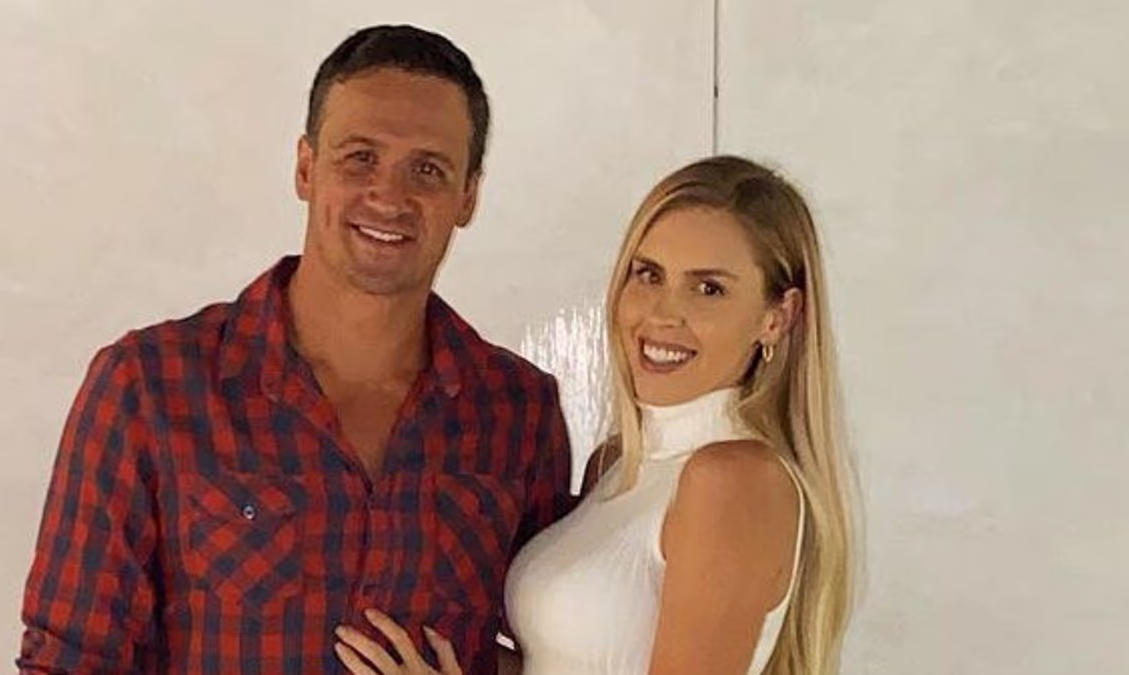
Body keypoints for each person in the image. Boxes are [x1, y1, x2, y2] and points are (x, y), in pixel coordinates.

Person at [16, 24, 574, 675]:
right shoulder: (149, 387)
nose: (389, 196)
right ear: (306, 167)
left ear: (468, 196)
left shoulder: (518, 412)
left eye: (428, 169)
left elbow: (554, 653)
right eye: (360, 157)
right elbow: (67, 662)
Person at [334, 155, 857, 675]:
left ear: (777, 317)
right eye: (648, 274)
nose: (662, 313)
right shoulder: (615, 464)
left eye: (708, 289)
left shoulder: (734, 480)